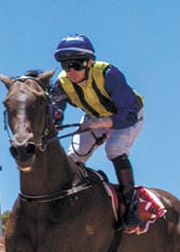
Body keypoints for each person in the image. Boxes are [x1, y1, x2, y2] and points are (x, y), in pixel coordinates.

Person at [47, 34, 147, 230]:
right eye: (66, 65)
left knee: (115, 149)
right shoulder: (62, 83)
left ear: (90, 62)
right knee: (73, 157)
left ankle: (131, 207)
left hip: (128, 115)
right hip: (94, 117)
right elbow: (55, 112)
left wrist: (103, 122)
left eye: (76, 64)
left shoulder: (109, 74)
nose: (71, 71)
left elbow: (129, 115)